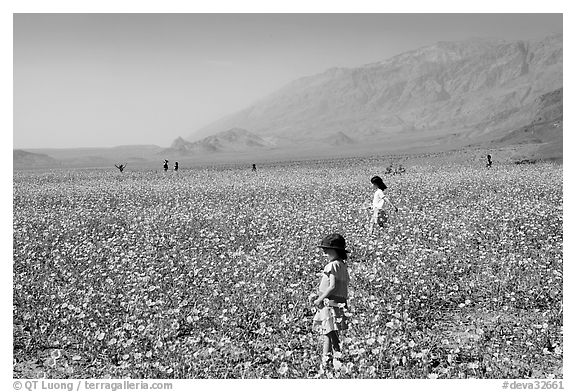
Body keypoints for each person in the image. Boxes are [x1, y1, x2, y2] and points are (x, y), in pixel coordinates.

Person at [309, 233, 350, 375]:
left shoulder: (332, 265)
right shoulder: (342, 265)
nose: (325, 252)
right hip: (340, 303)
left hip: (330, 304)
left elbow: (332, 286)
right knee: (329, 333)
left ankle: (336, 362)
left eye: (327, 250)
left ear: (336, 250)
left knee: (331, 335)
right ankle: (326, 363)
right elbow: (342, 285)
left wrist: (320, 299)